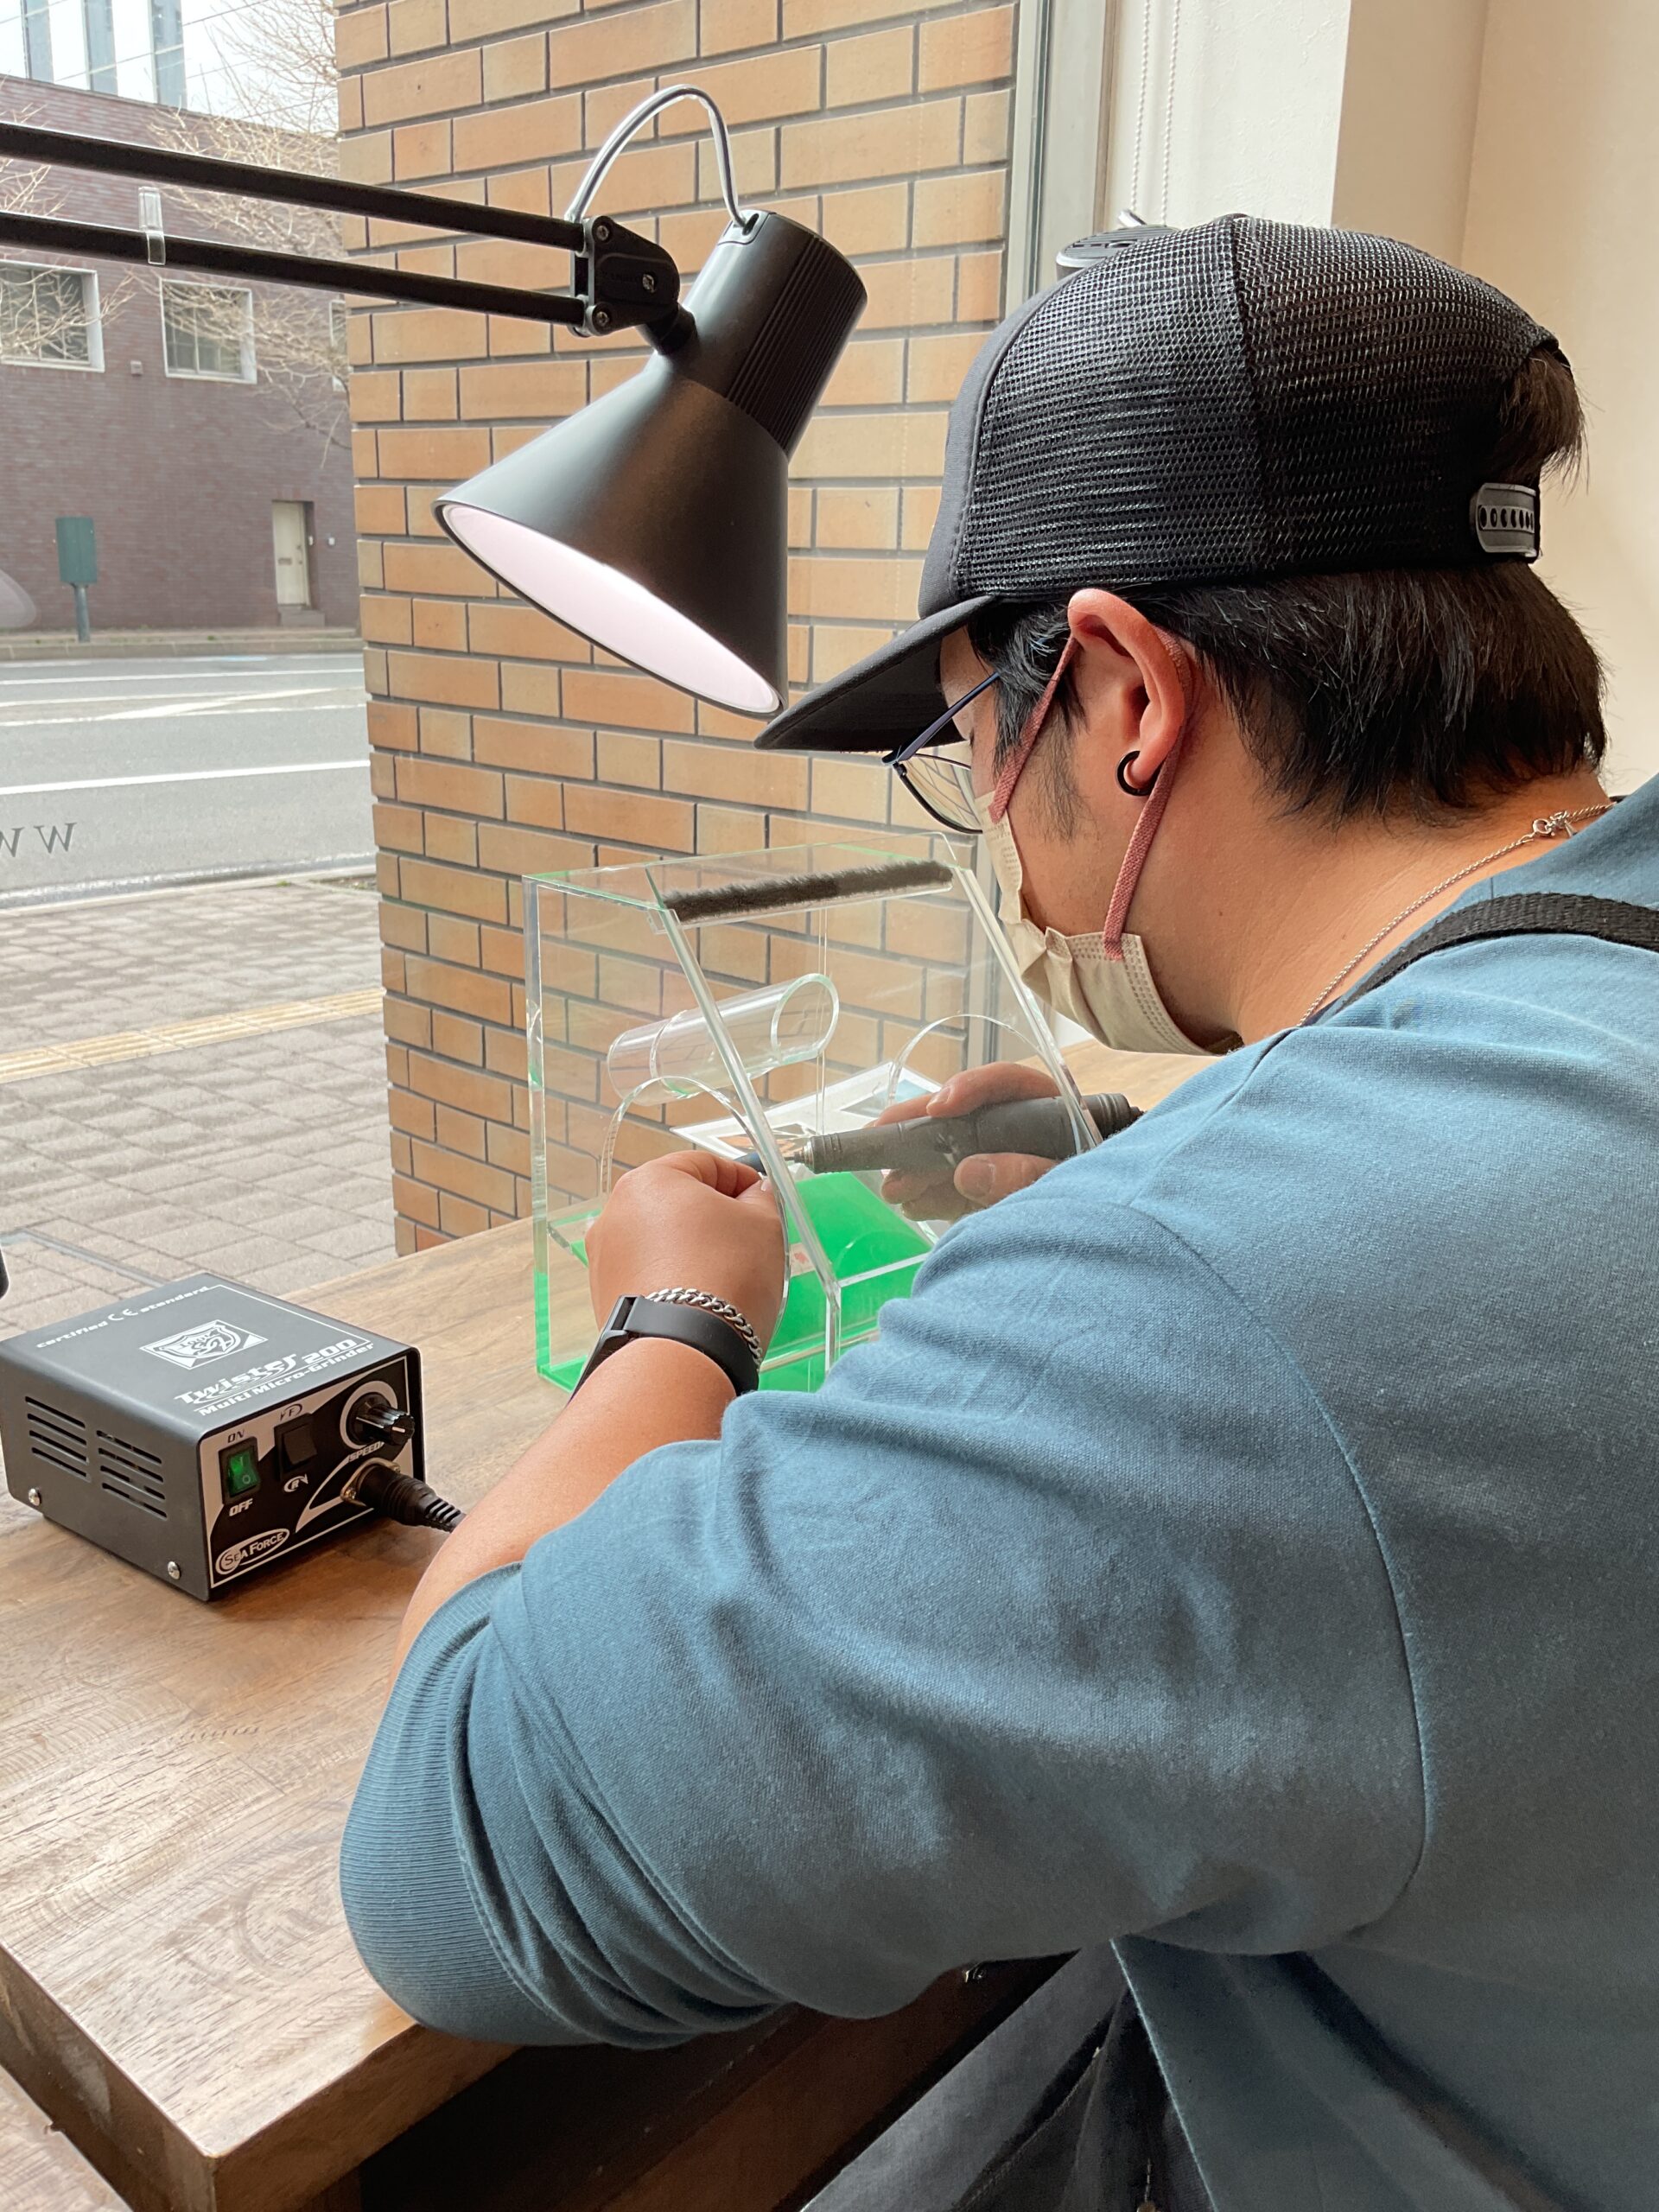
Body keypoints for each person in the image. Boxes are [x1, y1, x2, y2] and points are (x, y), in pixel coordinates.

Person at [340, 218, 1659, 2211]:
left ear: (1122, 697)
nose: (1014, 869)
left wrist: (671, 1329)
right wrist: (1139, 1139)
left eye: (972, 742)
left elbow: (456, 1837)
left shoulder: (1225, 1305)